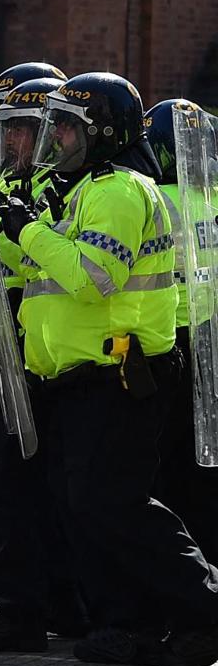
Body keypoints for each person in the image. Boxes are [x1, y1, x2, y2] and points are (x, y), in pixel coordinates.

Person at [0, 72, 218, 666]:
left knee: (115, 505)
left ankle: (206, 603)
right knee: (86, 507)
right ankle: (127, 625)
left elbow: (95, 278)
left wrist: (29, 230)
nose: (56, 139)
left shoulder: (119, 190)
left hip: (119, 374)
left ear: (100, 133)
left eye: (67, 127)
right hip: (76, 376)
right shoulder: (76, 190)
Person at [0, 73, 90, 653]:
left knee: (7, 483)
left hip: (46, 358)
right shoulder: (6, 187)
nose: (10, 143)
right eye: (3, 129)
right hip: (12, 353)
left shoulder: (56, 190)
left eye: (24, 130)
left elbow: (39, 263)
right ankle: (57, 598)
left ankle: (20, 606)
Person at [141, 98, 218, 565]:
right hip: (208, 336)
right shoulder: (211, 197)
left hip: (166, 340)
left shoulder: (156, 199)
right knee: (202, 472)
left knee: (162, 472)